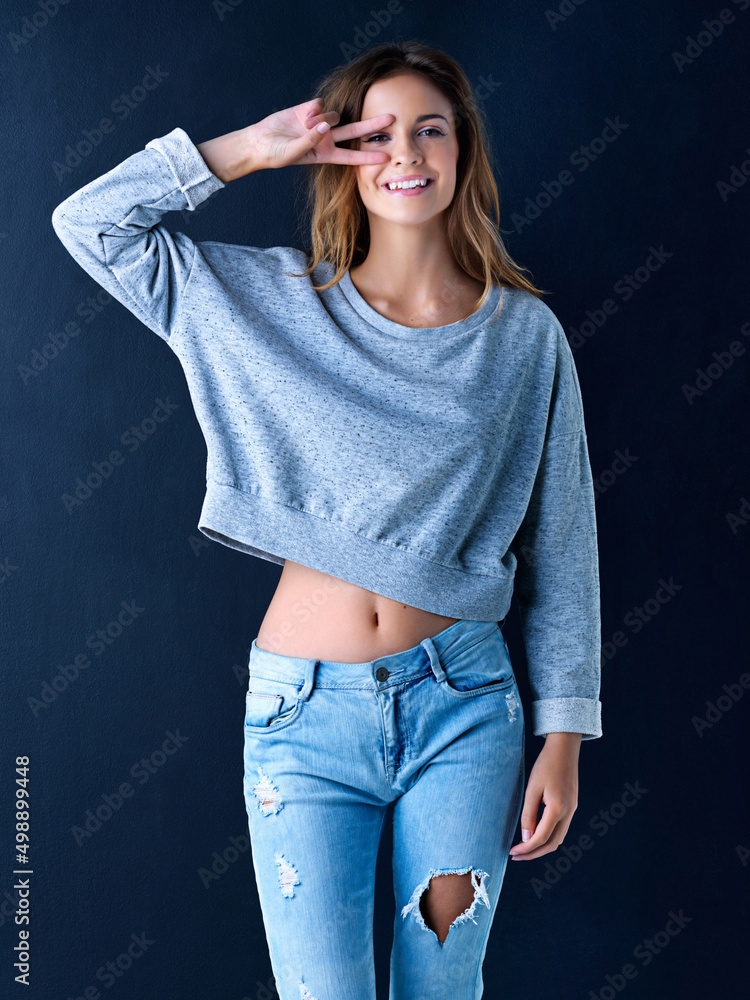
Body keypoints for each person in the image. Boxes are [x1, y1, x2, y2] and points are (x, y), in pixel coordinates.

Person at [52, 39, 602, 1000]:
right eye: (378, 133)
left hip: (466, 709)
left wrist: (565, 731)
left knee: (444, 991)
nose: (406, 153)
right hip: (302, 717)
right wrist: (252, 149)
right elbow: (90, 224)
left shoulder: (525, 336)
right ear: (343, 153)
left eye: (430, 130)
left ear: (463, 151)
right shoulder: (271, 300)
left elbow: (563, 541)